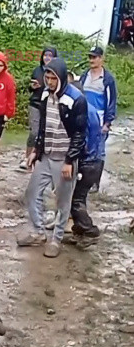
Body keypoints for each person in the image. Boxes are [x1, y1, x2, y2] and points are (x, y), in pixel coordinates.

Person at [17, 58, 88, 258]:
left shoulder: (76, 99)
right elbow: (42, 127)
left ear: (62, 77)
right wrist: (35, 151)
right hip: (46, 155)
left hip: (64, 158)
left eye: (52, 78)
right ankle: (39, 232)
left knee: (63, 201)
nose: (49, 81)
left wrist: (69, 161)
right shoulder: (45, 96)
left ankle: (56, 239)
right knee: (32, 193)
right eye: (47, 77)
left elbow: (80, 134)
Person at [68, 80, 102, 249]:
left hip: (89, 162)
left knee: (76, 199)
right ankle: (79, 230)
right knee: (77, 198)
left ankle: (90, 230)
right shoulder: (90, 109)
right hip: (94, 160)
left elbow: (84, 141)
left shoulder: (84, 112)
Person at [79, 46, 117, 192]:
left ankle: (95, 182)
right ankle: (83, 178)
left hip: (100, 120)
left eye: (94, 57)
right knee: (83, 148)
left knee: (98, 152)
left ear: (101, 58)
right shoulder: (84, 76)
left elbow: (111, 101)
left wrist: (108, 122)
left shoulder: (108, 79)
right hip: (84, 118)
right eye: (90, 57)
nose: (91, 60)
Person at [21, 47, 58, 170]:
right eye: (45, 55)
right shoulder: (37, 70)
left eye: (50, 55)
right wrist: (32, 86)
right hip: (35, 104)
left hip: (50, 105)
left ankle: (40, 159)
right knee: (34, 132)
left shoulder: (57, 72)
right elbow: (30, 88)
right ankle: (27, 158)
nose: (47, 58)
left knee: (46, 133)